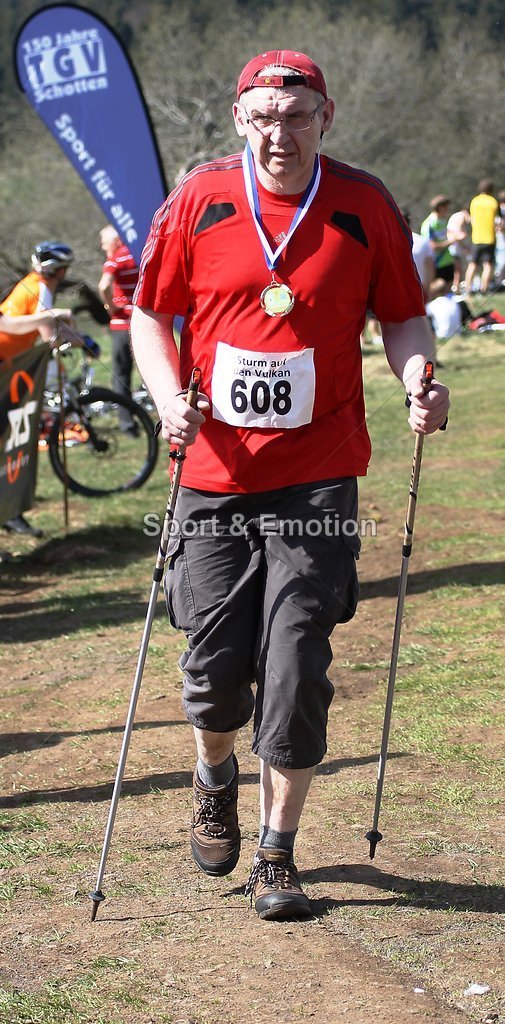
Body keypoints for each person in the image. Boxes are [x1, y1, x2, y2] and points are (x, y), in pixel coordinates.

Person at [130, 49, 449, 921]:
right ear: (241, 118)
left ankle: (277, 854)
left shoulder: (363, 203)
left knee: (298, 660)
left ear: (325, 117)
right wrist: (167, 400)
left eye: (298, 116)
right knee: (213, 670)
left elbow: (402, 316)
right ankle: (213, 775)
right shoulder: (198, 199)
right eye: (265, 117)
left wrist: (418, 379)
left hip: (317, 473)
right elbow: (151, 315)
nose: (281, 134)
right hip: (215, 473)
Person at [0, 241, 75, 537]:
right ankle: (11, 513)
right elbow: (48, 336)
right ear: (61, 272)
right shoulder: (40, 288)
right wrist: (72, 333)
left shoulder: (29, 283)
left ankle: (10, 512)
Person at [98, 225, 139, 434]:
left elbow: (104, 285)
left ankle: (127, 424)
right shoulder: (137, 254)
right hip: (141, 323)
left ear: (115, 240)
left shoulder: (115, 259)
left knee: (121, 375)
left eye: (104, 242)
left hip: (122, 324)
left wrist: (110, 307)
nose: (102, 246)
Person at [464, 179, 501, 295]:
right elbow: (499, 220)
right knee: (488, 264)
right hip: (490, 238)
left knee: (472, 264)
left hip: (476, 237)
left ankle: (468, 289)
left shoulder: (474, 201)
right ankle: (484, 289)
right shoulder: (493, 202)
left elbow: (469, 216)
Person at [420, 195, 464, 291]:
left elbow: (447, 235)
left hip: (448, 261)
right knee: (437, 291)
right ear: (440, 208)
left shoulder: (443, 221)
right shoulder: (429, 224)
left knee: (449, 291)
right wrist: (452, 241)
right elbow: (432, 246)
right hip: (437, 263)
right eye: (446, 208)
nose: (448, 210)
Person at [446, 205, 471, 294]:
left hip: (453, 246)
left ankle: (456, 288)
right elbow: (458, 235)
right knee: (458, 269)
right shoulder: (461, 217)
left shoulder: (456, 216)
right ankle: (456, 288)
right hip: (455, 247)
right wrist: (464, 246)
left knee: (458, 269)